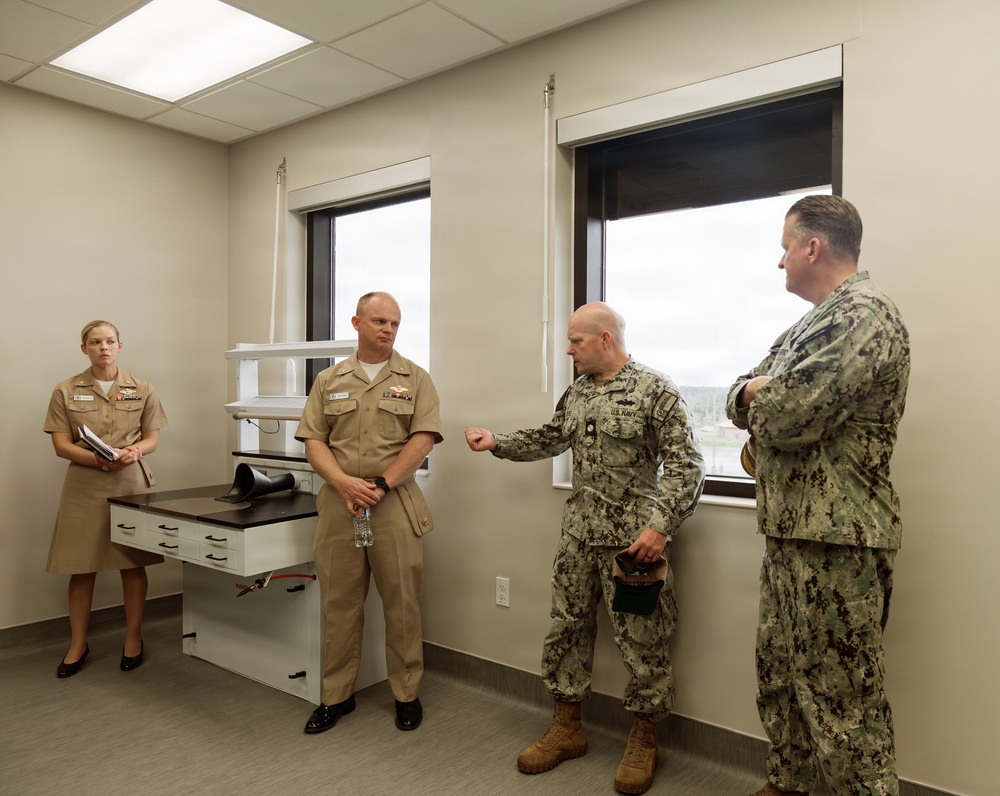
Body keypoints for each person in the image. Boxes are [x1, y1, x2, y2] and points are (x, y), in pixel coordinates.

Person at [465, 302, 705, 796]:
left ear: (605, 340)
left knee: (643, 640)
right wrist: (497, 441)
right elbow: (552, 437)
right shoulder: (577, 392)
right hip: (578, 535)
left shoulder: (655, 390)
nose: (569, 349)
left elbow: (688, 465)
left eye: (576, 341)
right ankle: (567, 726)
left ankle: (643, 739)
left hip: (633, 546)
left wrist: (660, 529)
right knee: (566, 628)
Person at [726, 195, 910, 796]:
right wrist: (750, 392)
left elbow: (784, 416)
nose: (779, 261)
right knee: (781, 680)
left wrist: (758, 396)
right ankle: (790, 785)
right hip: (792, 534)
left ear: (813, 247)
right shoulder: (811, 323)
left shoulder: (861, 316)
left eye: (785, 248)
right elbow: (740, 393)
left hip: (837, 541)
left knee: (844, 707)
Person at [295, 291, 442, 735]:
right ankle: (336, 695)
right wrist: (343, 482)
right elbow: (313, 440)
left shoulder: (415, 378)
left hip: (393, 504)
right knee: (338, 604)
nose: (388, 329)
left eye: (395, 323)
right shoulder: (329, 379)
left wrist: (381, 483)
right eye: (379, 321)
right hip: (340, 506)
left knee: (402, 606)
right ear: (356, 323)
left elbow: (424, 438)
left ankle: (406, 694)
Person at [44, 320, 168, 677]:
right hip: (84, 486)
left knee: (132, 563)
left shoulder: (142, 388)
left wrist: (135, 451)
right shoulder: (65, 390)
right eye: (95, 342)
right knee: (81, 567)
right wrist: (97, 459)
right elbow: (61, 445)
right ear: (84, 348)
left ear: (120, 346)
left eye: (110, 341)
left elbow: (152, 438)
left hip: (130, 483)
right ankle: (77, 645)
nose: (104, 348)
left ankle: (133, 638)